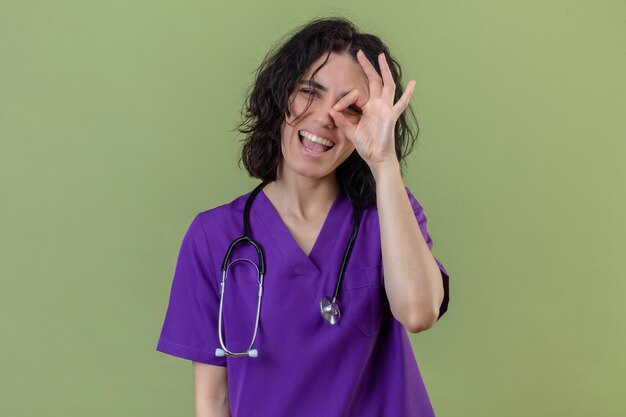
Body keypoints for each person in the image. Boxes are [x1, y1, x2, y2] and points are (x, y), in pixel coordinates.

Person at [156, 17, 451, 417]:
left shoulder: (387, 214)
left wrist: (384, 162)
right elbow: (213, 399)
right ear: (281, 97)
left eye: (350, 107)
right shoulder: (213, 237)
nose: (326, 117)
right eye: (310, 92)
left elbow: (418, 313)